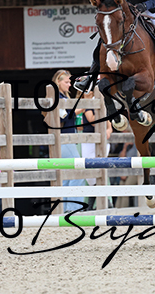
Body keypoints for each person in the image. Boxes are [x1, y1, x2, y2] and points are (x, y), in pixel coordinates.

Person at [53, 70, 86, 212]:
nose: (69, 84)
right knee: (78, 170)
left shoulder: (63, 97)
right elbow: (64, 117)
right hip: (64, 138)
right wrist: (80, 110)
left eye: (70, 82)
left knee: (67, 174)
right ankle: (73, 207)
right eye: (66, 82)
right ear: (58, 82)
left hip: (66, 137)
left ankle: (66, 207)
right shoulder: (58, 97)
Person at [79, 90, 113, 209]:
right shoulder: (87, 104)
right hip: (89, 140)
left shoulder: (99, 103)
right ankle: (101, 201)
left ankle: (94, 203)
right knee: (90, 173)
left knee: (100, 170)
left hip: (101, 141)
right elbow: (93, 121)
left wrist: (108, 130)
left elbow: (109, 125)